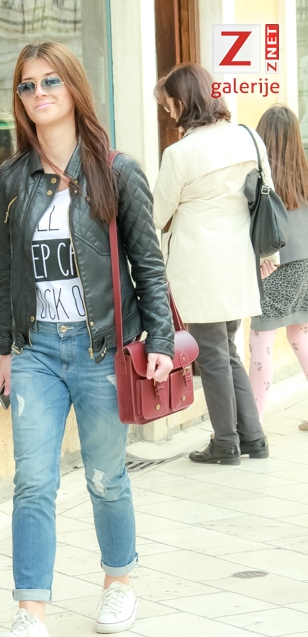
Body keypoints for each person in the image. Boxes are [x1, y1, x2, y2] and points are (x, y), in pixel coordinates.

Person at [0, 42, 174, 637]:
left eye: (50, 82)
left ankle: (118, 582)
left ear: (73, 88)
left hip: (101, 350)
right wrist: (6, 350)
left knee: (105, 476)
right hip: (38, 350)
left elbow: (148, 264)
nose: (38, 94)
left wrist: (160, 340)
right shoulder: (12, 179)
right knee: (32, 482)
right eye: (26, 86)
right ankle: (30, 616)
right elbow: (8, 275)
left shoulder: (117, 171)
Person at [153, 62, 271, 466]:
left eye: (168, 105)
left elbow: (157, 213)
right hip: (239, 261)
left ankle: (225, 443)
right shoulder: (249, 137)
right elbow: (266, 195)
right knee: (227, 350)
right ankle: (253, 437)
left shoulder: (180, 153)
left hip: (199, 266)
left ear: (182, 101)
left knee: (212, 354)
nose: (167, 112)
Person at [248, 106, 308, 426]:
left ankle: (254, 425)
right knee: (300, 337)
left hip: (273, 265)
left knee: (261, 342)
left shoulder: (258, 177)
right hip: (305, 264)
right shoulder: (304, 173)